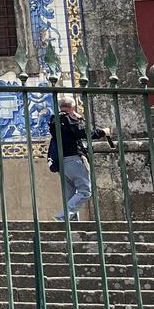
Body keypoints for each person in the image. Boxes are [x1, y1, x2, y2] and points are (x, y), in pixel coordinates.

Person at [47, 94, 112, 223]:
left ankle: (71, 223)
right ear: (72, 108)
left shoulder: (54, 121)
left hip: (62, 162)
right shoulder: (69, 120)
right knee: (85, 191)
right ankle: (62, 217)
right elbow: (84, 133)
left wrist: (77, 119)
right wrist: (103, 132)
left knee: (70, 194)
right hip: (74, 160)